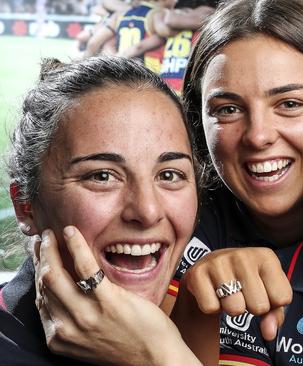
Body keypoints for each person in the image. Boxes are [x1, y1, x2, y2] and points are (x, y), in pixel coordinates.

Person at [161, 0, 303, 364]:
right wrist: (195, 304)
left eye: (290, 104)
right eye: (228, 109)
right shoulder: (167, 219)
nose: (258, 136)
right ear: (198, 122)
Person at [0, 56, 209, 365]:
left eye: (168, 175)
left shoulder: (200, 313)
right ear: (25, 206)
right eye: (102, 176)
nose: (148, 211)